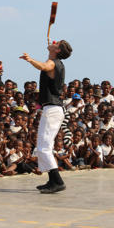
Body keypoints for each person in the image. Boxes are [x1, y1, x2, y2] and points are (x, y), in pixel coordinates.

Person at [20, 39, 72, 194]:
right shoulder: (55, 62)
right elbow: (46, 63)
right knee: (44, 146)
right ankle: (51, 180)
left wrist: (30, 60)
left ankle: (58, 181)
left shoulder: (53, 64)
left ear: (57, 50)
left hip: (52, 109)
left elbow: (43, 66)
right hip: (53, 109)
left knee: (43, 147)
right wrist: (51, 49)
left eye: (57, 43)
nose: (54, 41)